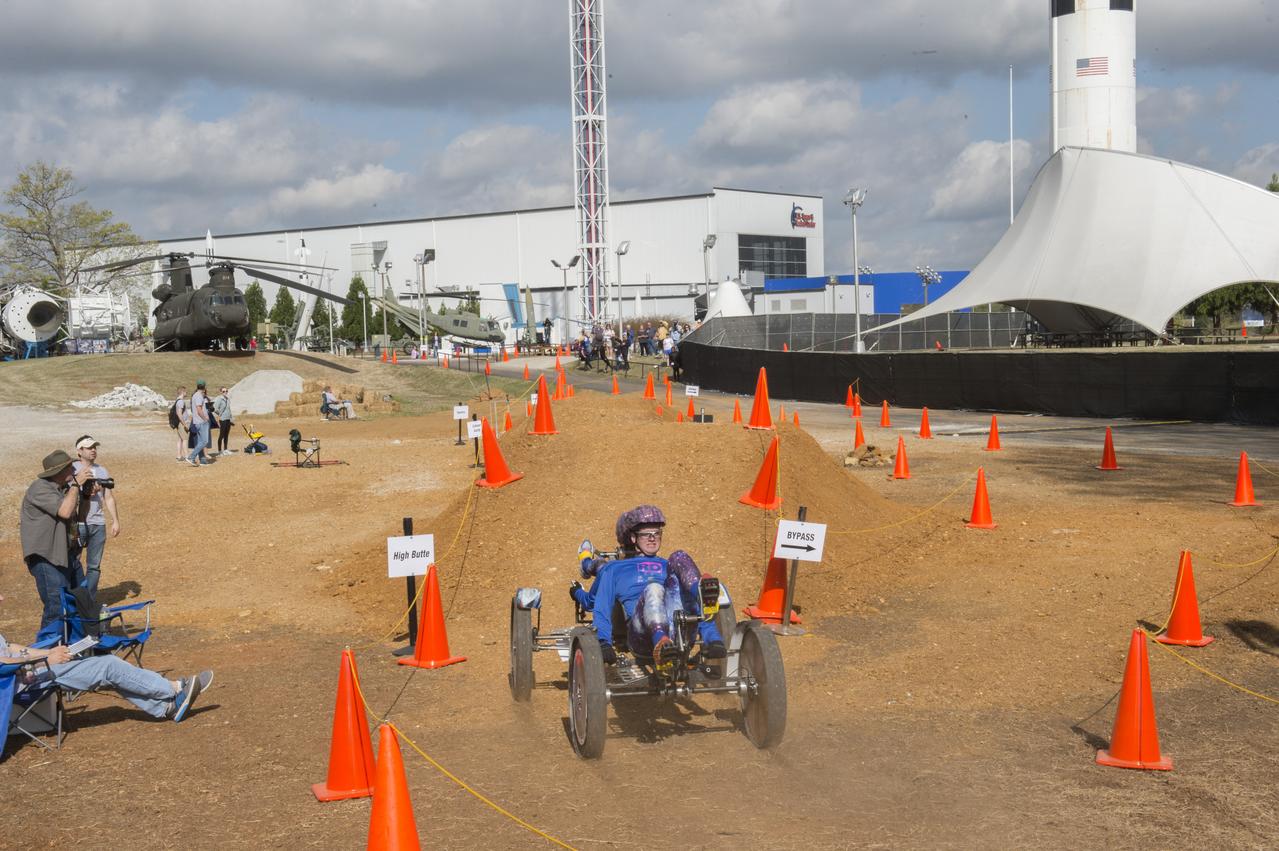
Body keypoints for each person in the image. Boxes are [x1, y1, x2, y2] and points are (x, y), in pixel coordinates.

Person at [0, 593, 213, 724]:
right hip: (20, 682)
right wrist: (44, 660)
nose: (2, 598)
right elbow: (3, 662)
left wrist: (48, 653)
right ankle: (175, 688)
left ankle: (168, 708)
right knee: (107, 666)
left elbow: (9, 648)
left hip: (31, 670)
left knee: (107, 672)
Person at [578, 505, 724, 671]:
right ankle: (661, 642)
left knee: (679, 556)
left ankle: (711, 636)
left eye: (656, 533)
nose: (652, 538)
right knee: (654, 589)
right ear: (633, 538)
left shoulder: (668, 564)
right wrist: (603, 642)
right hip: (642, 637)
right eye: (646, 534)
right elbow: (600, 605)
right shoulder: (614, 569)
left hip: (679, 629)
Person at [21, 451, 94, 630]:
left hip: (67, 555)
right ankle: (50, 646)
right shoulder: (39, 488)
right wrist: (76, 485)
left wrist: (86, 495)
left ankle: (76, 643)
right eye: (70, 467)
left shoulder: (64, 489)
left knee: (81, 601)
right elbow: (65, 512)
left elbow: (80, 517)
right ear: (59, 471)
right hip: (46, 557)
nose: (74, 470)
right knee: (57, 608)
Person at [70, 436, 119, 602]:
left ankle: (88, 601)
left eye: (94, 447)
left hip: (98, 523)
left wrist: (115, 520)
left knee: (94, 566)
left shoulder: (102, 471)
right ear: (79, 451)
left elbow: (108, 497)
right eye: (89, 447)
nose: (93, 450)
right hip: (77, 523)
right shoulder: (71, 469)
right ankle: (73, 599)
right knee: (73, 562)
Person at [186, 380, 211, 467]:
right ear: (204, 387)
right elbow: (199, 410)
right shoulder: (199, 396)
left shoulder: (195, 395)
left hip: (197, 421)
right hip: (201, 421)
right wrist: (205, 419)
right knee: (204, 441)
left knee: (200, 441)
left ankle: (202, 460)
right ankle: (191, 457)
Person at [213, 387, 235, 455]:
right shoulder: (219, 399)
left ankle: (225, 449)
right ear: (221, 392)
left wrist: (231, 418)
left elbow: (229, 409)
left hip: (228, 419)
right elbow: (215, 409)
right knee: (221, 435)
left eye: (226, 391)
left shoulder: (227, 399)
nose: (225, 392)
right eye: (223, 391)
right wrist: (220, 414)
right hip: (222, 419)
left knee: (226, 435)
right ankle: (219, 450)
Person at [170, 386, 188, 462]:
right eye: (185, 391)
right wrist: (184, 424)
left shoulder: (177, 400)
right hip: (181, 423)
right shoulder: (181, 401)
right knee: (185, 439)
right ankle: (187, 456)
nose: (186, 393)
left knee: (180, 439)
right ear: (182, 392)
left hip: (178, 423)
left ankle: (179, 456)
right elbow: (179, 414)